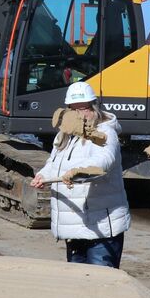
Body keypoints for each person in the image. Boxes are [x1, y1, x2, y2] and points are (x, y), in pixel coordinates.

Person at [29, 81, 129, 268]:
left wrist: (79, 172)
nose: (80, 114)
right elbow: (54, 163)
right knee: (79, 281)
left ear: (94, 107)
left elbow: (104, 160)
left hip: (101, 227)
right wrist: (43, 175)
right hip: (74, 225)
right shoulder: (64, 135)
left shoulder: (106, 132)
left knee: (101, 282)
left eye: (84, 108)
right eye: (74, 110)